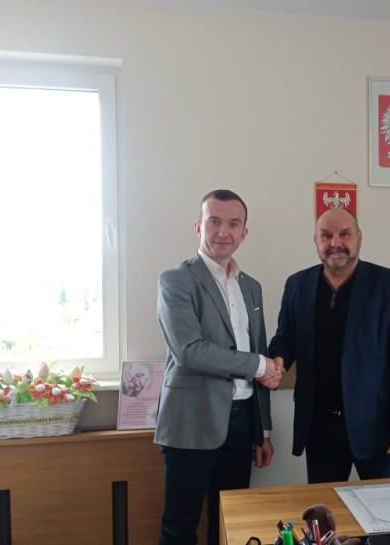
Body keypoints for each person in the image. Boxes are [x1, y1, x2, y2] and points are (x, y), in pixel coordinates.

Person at [154, 189, 284, 545]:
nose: (223, 232)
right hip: (191, 421)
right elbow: (190, 351)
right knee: (179, 529)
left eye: (233, 224)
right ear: (199, 226)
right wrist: (259, 365)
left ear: (244, 233)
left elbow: (258, 350)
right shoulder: (175, 280)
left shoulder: (251, 287)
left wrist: (263, 431)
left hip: (241, 423)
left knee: (230, 525)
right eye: (214, 221)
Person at [268, 207, 390, 483]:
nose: (335, 243)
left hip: (378, 427)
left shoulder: (389, 284)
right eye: (326, 235)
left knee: (388, 507)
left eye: (344, 234)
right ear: (315, 240)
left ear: (359, 237)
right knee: (325, 509)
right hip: (319, 426)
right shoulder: (297, 285)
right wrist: (278, 360)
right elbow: (286, 338)